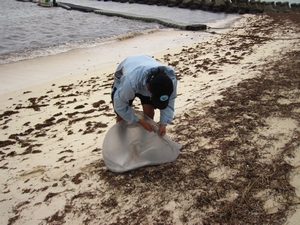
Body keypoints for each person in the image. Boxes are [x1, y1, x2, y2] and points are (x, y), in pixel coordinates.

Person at [111, 54, 177, 137]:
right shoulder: (129, 82)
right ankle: (121, 140)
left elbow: (170, 101)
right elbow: (120, 106)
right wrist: (139, 121)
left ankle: (144, 141)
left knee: (149, 114)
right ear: (148, 87)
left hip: (147, 69)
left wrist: (163, 123)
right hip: (128, 73)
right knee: (121, 117)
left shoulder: (170, 81)